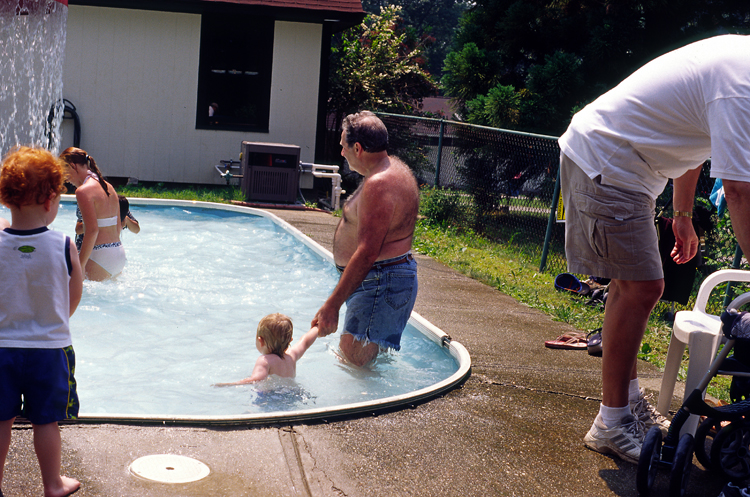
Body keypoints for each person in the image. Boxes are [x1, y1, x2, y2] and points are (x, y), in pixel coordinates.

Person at [559, 34, 750, 464]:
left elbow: (698, 141)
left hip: (624, 167)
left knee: (635, 288)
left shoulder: (737, 69)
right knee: (642, 288)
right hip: (608, 162)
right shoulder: (742, 83)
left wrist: (682, 212)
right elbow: (738, 191)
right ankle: (611, 423)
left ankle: (623, 407)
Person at [0, 146, 84, 497]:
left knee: (0, 420)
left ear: (6, 199)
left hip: (2, 348)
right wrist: (53, 320)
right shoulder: (63, 244)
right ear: (51, 199)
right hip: (48, 350)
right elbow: (73, 293)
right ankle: (52, 484)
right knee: (45, 420)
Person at [312, 111, 420, 367]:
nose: (341, 152)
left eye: (343, 146)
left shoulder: (380, 183)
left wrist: (332, 305)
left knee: (355, 363)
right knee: (364, 364)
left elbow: (368, 251)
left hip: (380, 280)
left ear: (357, 148)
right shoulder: (392, 169)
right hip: (380, 279)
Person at [61, 147, 125, 281]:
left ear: (73, 166)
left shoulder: (83, 191)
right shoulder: (109, 187)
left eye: (65, 173)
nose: (66, 179)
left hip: (99, 256)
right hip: (118, 253)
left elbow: (92, 230)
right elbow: (118, 226)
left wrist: (79, 265)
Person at [214, 314, 319, 386]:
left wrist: (230, 384)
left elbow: (256, 379)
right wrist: (317, 327)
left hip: (271, 397)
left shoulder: (264, 360)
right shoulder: (292, 355)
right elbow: (305, 341)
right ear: (290, 340)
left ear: (260, 341)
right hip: (292, 394)